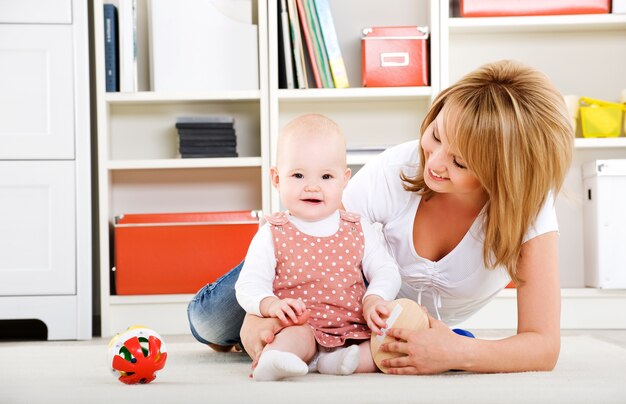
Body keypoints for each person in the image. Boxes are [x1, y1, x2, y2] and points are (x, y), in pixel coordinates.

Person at [187, 60, 574, 374]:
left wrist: (456, 351)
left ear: (503, 174)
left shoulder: (529, 209)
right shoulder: (394, 172)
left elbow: (543, 346)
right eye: (436, 136)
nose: (434, 164)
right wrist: (263, 311)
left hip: (373, 320)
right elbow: (313, 248)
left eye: (459, 162)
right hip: (314, 278)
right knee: (209, 323)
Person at [234, 114, 401, 381]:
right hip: (302, 325)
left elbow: (386, 270)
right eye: (298, 175)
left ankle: (336, 362)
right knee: (294, 337)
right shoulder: (273, 232)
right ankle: (276, 359)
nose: (312, 186)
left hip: (354, 329)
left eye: (326, 176)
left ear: (344, 180)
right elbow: (248, 284)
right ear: (277, 179)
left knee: (385, 346)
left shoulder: (359, 227)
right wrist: (270, 305)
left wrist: (374, 298)